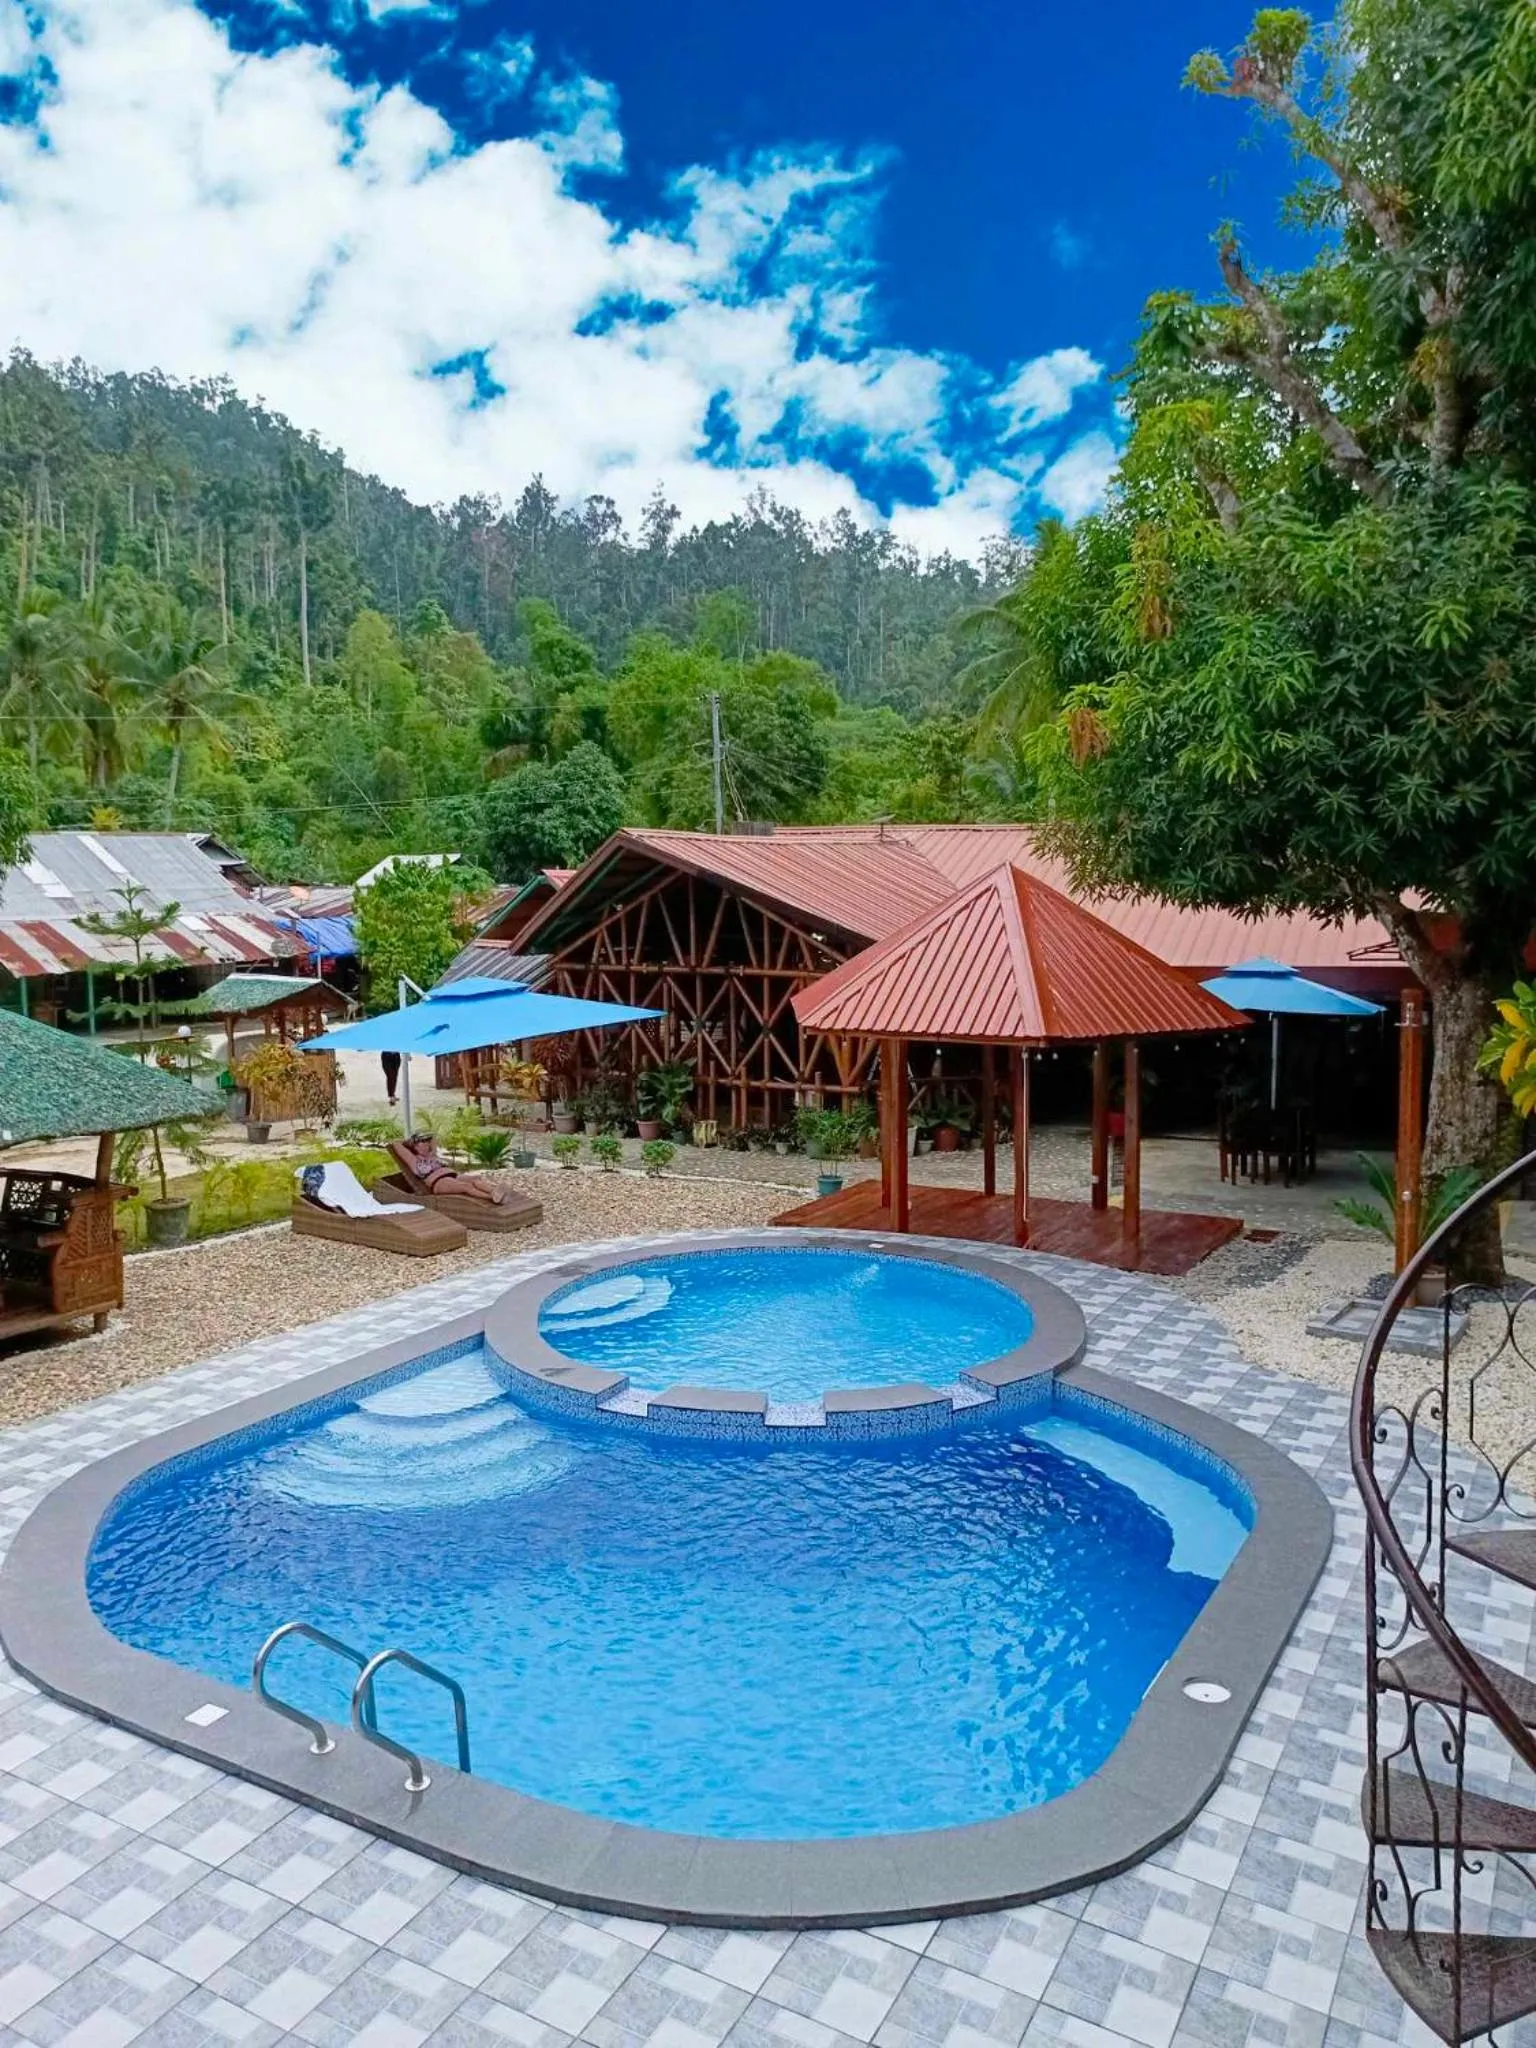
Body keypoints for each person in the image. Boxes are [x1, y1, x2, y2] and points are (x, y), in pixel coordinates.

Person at [395, 1133, 516, 1207]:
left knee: (476, 1179)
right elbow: (395, 1143)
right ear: (415, 1146)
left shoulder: (432, 1155)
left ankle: (495, 1191)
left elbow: (433, 1137)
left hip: (451, 1176)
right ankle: (492, 1198)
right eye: (423, 1142)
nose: (427, 1144)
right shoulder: (414, 1160)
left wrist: (425, 1139)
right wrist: (409, 1141)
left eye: (427, 1142)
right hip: (438, 1182)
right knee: (466, 1187)